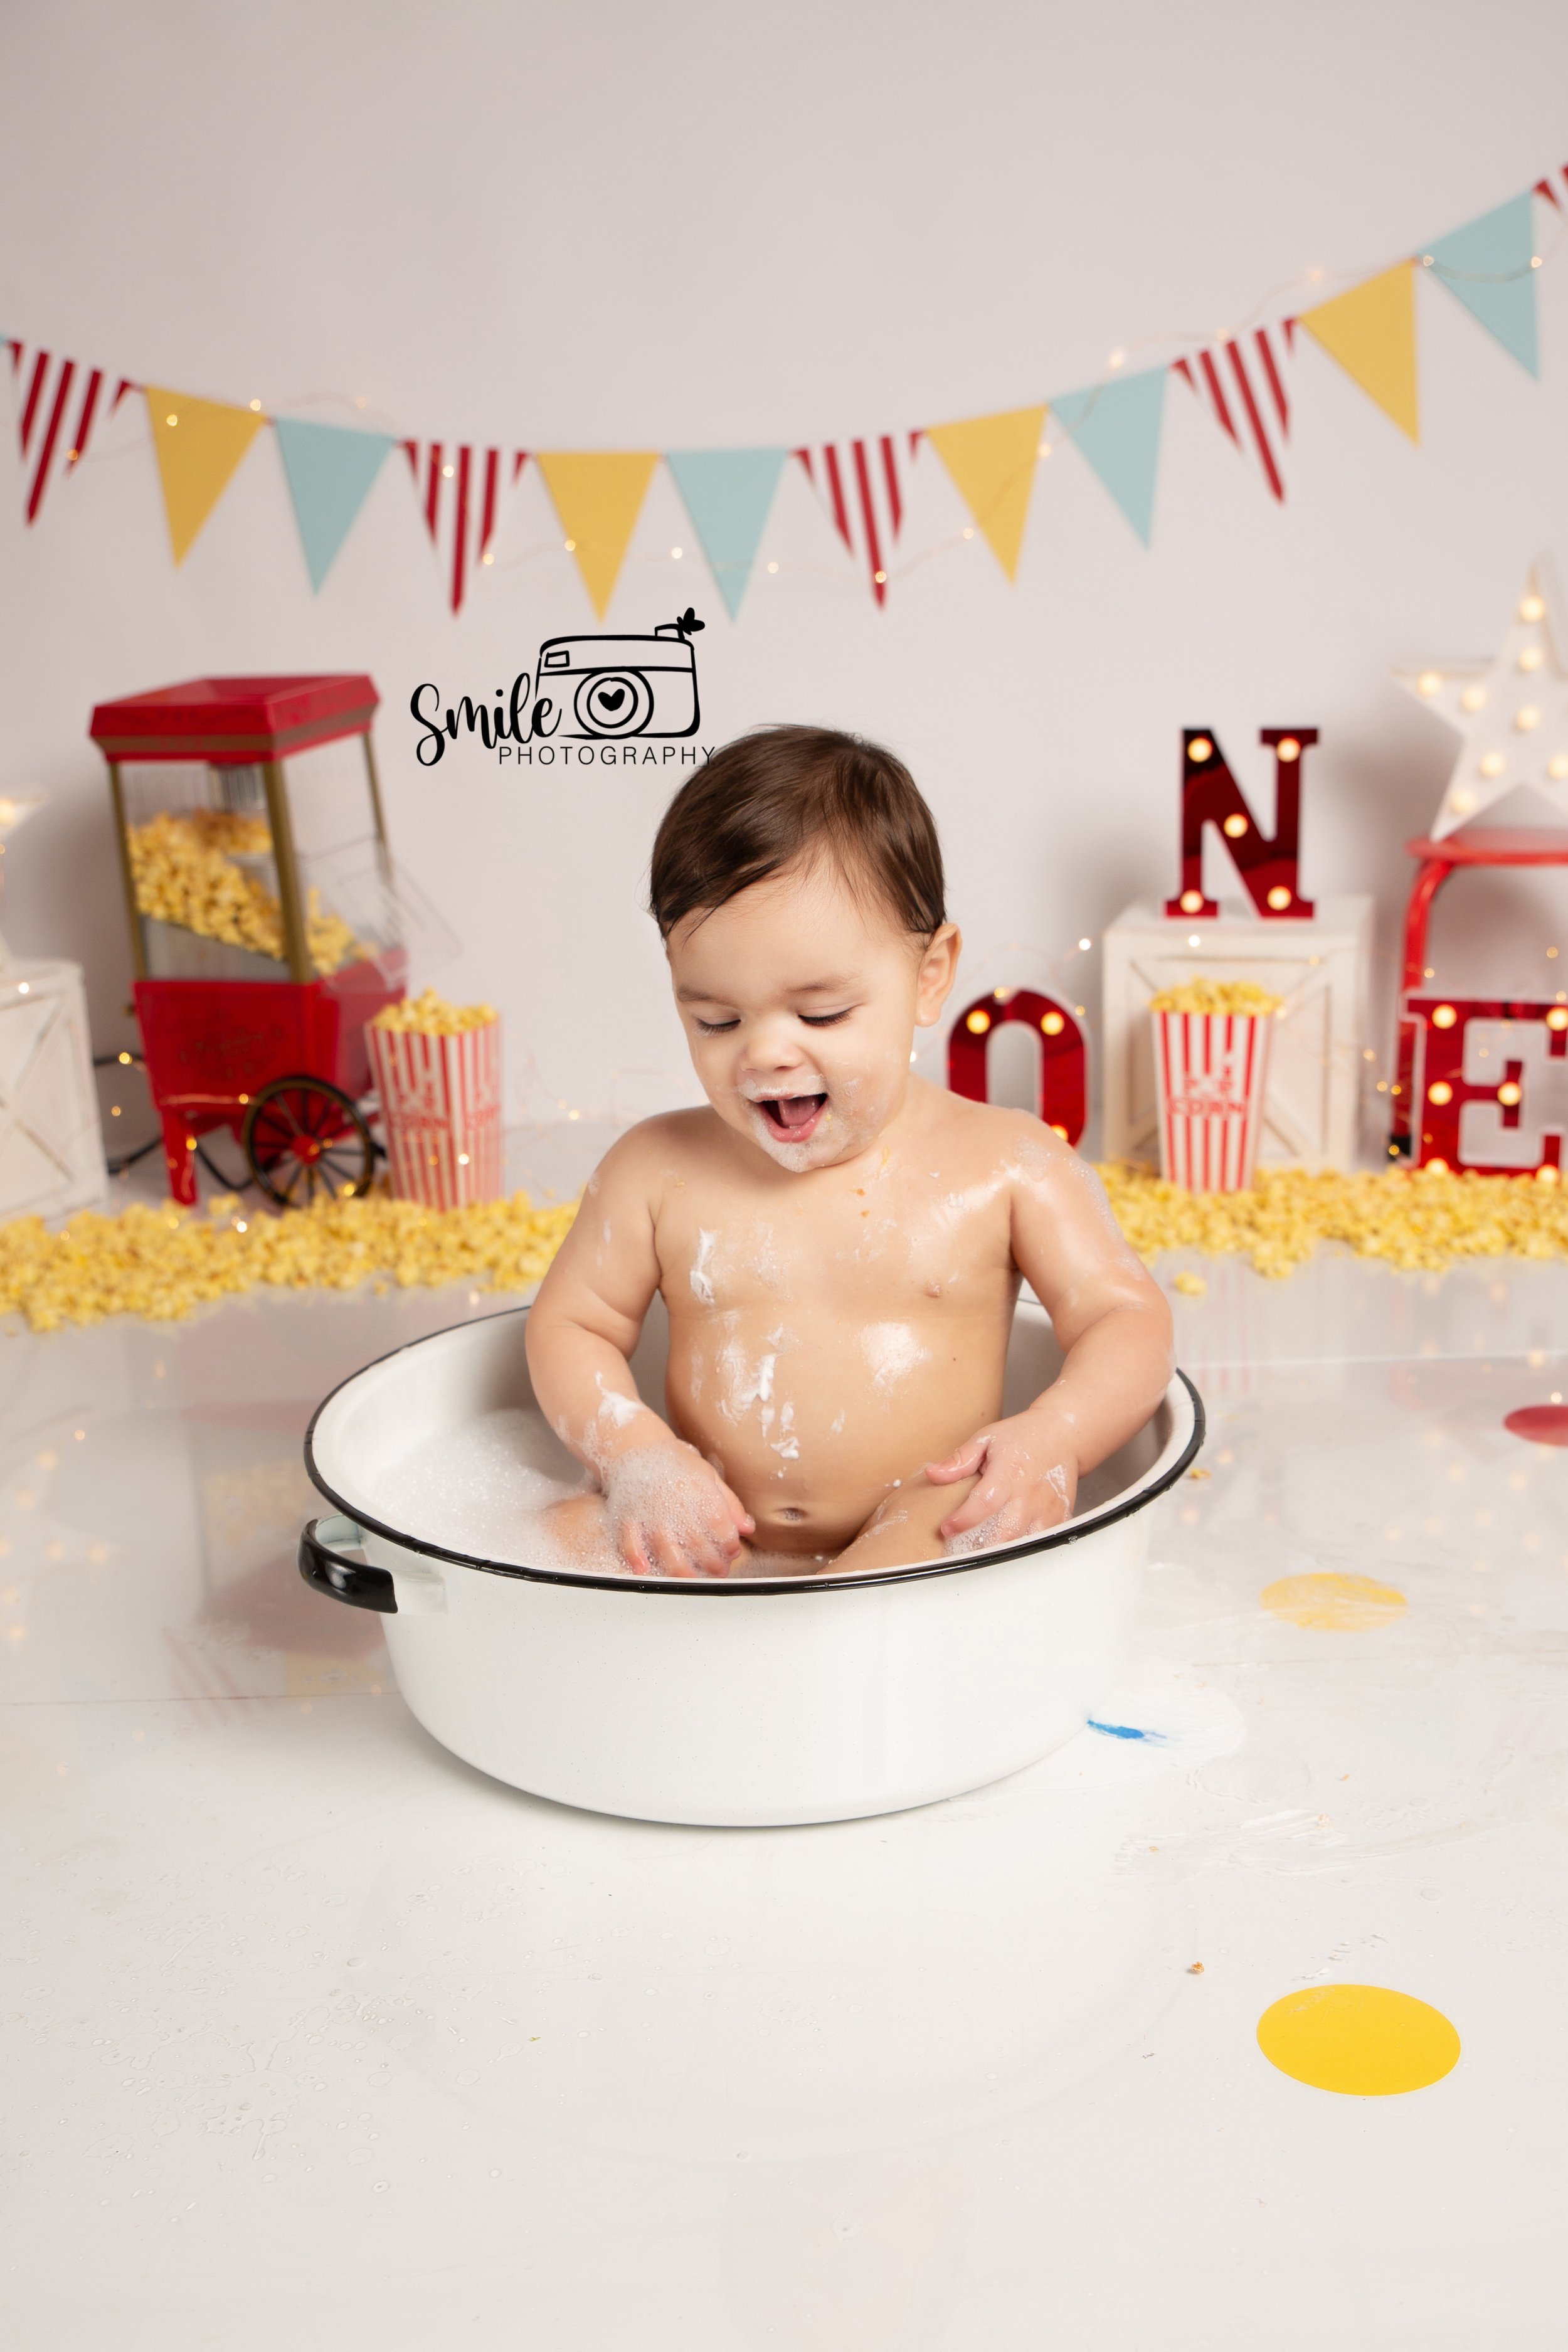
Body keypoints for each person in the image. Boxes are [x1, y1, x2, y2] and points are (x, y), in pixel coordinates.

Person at [525, 725, 1173, 1577]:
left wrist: (1052, 1437)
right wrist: (640, 1456)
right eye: (716, 1019)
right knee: (545, 1546)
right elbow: (570, 1326)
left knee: (940, 1540)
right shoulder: (656, 1170)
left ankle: (832, 1645)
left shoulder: (1007, 1163)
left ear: (929, 975)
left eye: (821, 1014)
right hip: (707, 1510)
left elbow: (1128, 1321)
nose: (763, 1053)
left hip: (923, 1503)